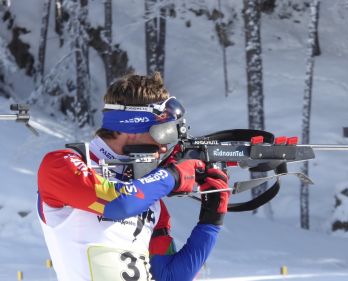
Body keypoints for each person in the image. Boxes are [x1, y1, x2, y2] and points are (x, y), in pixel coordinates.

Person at [37, 72, 230, 281]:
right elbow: (119, 204)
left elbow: (170, 277)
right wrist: (173, 174)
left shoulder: (149, 198)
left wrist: (211, 220)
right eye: (163, 132)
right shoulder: (62, 164)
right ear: (131, 125)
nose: (165, 145)